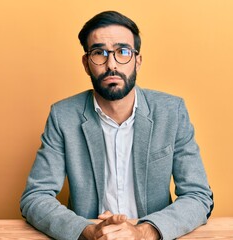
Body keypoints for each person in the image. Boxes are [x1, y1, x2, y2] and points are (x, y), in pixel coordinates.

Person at [20, 10, 214, 240]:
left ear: (137, 61)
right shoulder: (64, 116)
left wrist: (144, 232)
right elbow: (35, 196)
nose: (111, 64)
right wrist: (87, 231)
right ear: (86, 63)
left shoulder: (172, 112)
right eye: (99, 53)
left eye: (123, 51)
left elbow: (198, 195)